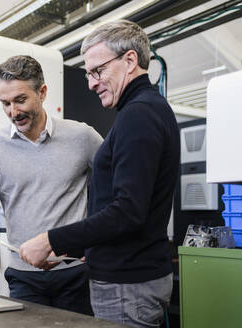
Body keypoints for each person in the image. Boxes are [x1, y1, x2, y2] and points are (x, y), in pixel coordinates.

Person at [19, 20, 180, 328]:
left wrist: (50, 240)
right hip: (133, 280)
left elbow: (127, 212)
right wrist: (83, 248)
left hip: (127, 287)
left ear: (130, 60)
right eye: (89, 74)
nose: (91, 83)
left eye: (98, 71)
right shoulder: (148, 109)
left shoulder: (139, 115)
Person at [0, 55, 103, 315]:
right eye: (5, 103)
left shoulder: (82, 136)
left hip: (75, 276)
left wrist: (95, 244)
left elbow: (117, 191)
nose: (13, 112)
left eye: (20, 100)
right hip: (23, 278)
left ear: (42, 92)